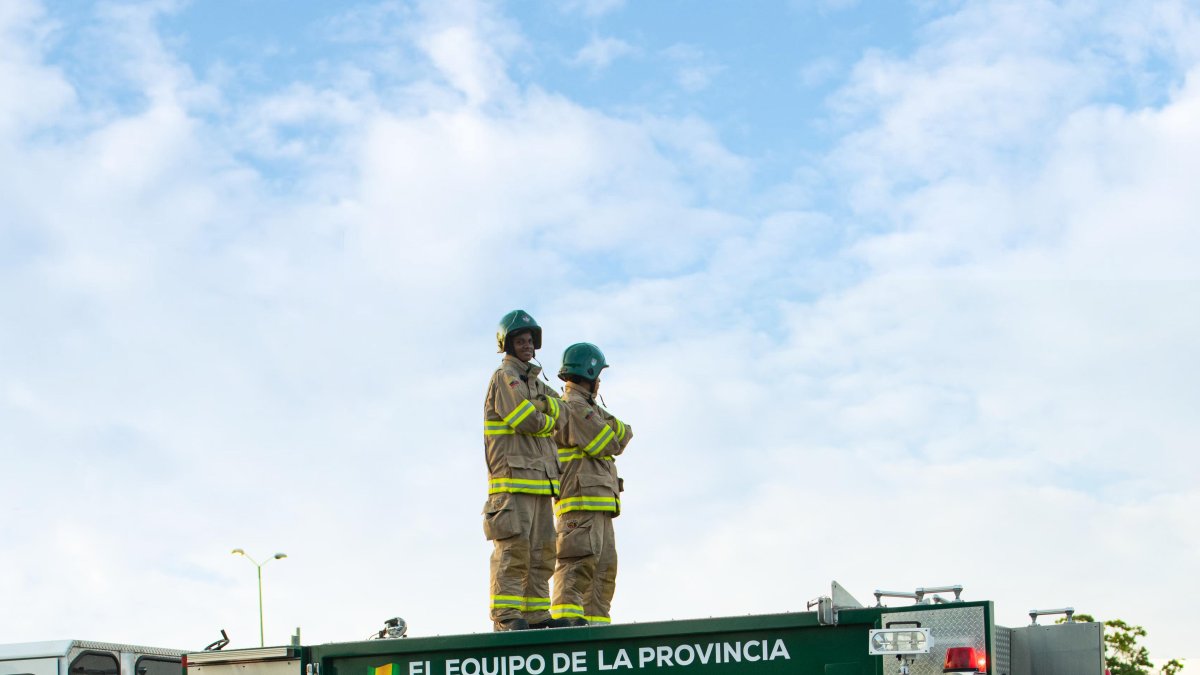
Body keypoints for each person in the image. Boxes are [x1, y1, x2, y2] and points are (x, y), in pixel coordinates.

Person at [482, 309, 570, 631]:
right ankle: (507, 618)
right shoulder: (505, 377)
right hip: (512, 484)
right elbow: (526, 419)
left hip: (541, 484)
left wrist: (547, 412)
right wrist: (547, 417)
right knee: (513, 551)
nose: (527, 346)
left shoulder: (534, 383)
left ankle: (535, 615)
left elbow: (565, 412)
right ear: (507, 344)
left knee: (541, 552)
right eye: (520, 341)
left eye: (530, 341)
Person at [549, 343, 633, 626]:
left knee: (603, 572)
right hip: (579, 502)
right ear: (591, 373)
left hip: (599, 504)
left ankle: (596, 631)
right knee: (576, 567)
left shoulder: (588, 408)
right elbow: (608, 441)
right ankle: (565, 631)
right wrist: (609, 429)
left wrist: (607, 425)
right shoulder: (573, 406)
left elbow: (625, 432)